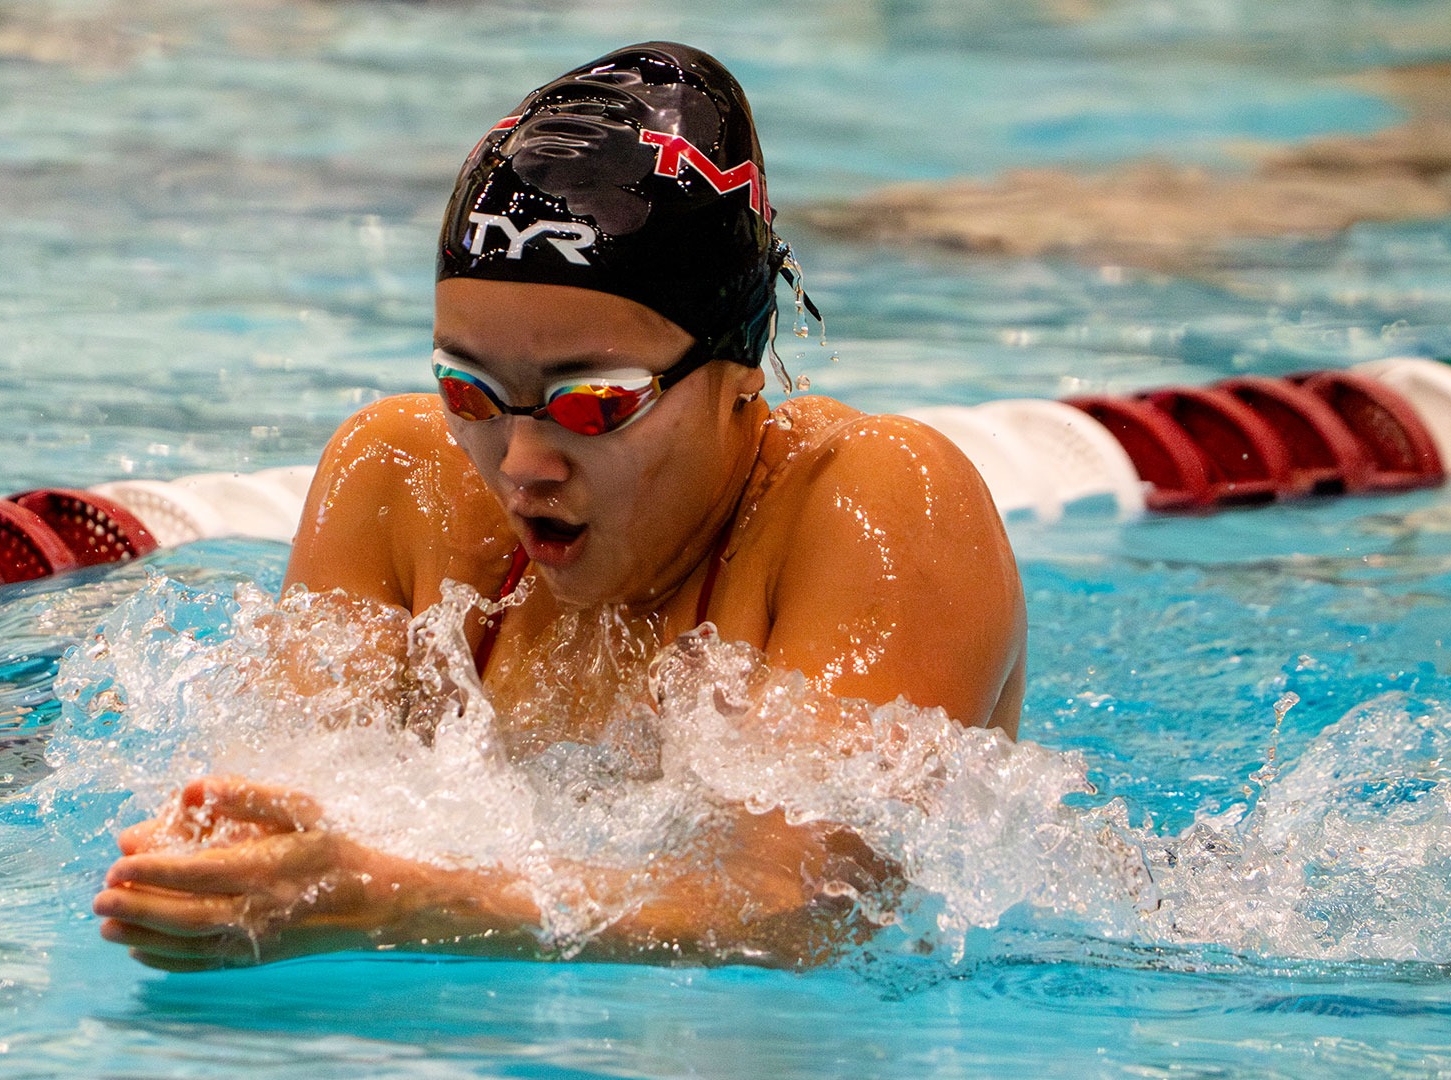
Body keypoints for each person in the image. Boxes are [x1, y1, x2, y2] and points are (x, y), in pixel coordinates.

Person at [92, 42, 1026, 971]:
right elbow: (289, 801)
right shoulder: (399, 482)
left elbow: (798, 909)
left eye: (594, 403)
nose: (522, 463)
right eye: (471, 392)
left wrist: (399, 899)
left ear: (737, 365)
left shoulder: (877, 503)